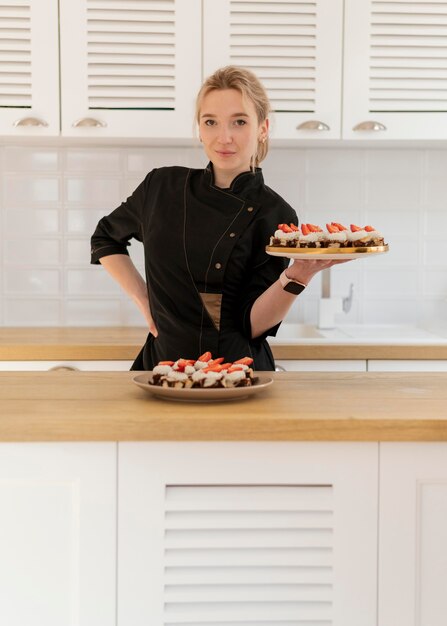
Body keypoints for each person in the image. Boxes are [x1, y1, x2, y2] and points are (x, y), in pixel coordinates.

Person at [91, 66, 346, 370]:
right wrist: (144, 300)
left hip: (237, 373)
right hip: (162, 366)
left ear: (262, 128)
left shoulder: (275, 213)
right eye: (210, 122)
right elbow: (105, 238)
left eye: (239, 122)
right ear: (199, 128)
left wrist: (300, 274)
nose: (223, 137)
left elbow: (253, 326)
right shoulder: (161, 188)